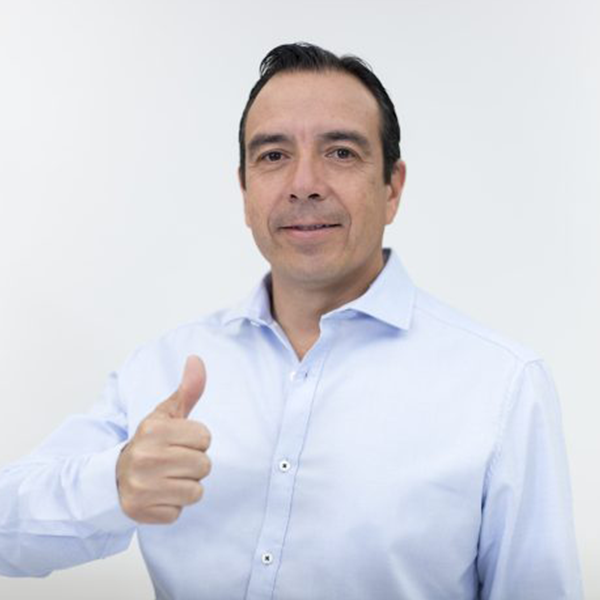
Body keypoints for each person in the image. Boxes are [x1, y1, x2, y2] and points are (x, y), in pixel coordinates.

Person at [0, 42, 583, 600]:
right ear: (245, 189)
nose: (304, 185)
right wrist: (114, 483)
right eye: (274, 156)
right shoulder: (164, 368)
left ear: (392, 188)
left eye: (341, 152)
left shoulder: (503, 385)